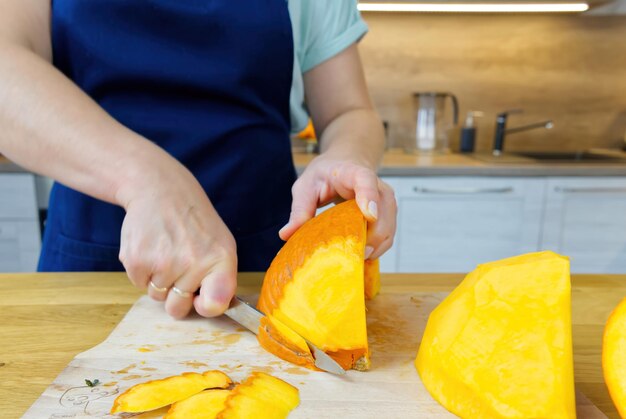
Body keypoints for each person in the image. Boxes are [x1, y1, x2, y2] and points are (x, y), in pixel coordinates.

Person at [0, 0, 397, 319]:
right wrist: (145, 178)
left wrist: (348, 155)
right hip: (89, 269)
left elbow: (349, 111)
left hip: (261, 268)